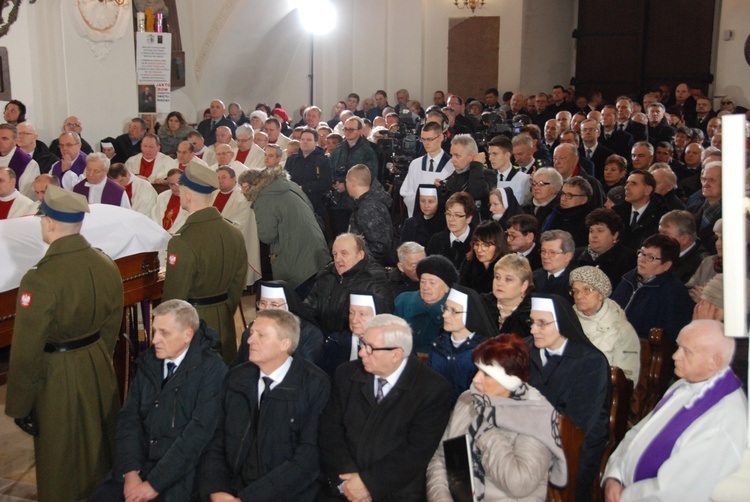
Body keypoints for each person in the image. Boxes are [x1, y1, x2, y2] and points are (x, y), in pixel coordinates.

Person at [5, 185, 123, 501]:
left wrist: (19, 404)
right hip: (97, 363)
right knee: (98, 448)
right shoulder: (105, 263)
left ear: (51, 222)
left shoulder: (39, 278)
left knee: (60, 460)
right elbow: (112, 323)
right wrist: (100, 355)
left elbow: (27, 349)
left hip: (58, 375)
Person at [90, 300, 227, 501]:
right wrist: (130, 473)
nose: (155, 340)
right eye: (154, 331)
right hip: (140, 466)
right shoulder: (149, 362)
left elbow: (197, 436)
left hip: (183, 474)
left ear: (187, 335)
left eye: (164, 333)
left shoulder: (213, 370)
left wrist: (154, 483)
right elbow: (129, 419)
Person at [602, 320, 747, 501]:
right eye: (678, 347)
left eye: (686, 351)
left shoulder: (723, 418)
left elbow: (681, 488)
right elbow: (639, 434)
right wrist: (615, 476)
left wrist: (625, 496)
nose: (675, 356)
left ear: (714, 361)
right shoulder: (683, 386)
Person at [318, 314, 453, 501]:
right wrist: (348, 480)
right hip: (343, 484)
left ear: (396, 354)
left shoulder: (432, 389)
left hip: (395, 491)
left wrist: (369, 484)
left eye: (370, 348)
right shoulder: (346, 374)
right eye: (362, 344)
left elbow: (416, 451)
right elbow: (330, 430)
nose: (361, 353)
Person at [200, 309, 331, 501]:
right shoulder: (236, 378)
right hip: (231, 491)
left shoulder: (315, 384)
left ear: (284, 344)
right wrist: (217, 490)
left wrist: (248, 498)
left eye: (261, 335)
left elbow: (308, 458)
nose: (250, 341)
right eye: (252, 333)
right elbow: (216, 440)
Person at [426, 335, 567, 501]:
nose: (475, 379)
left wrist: (485, 431)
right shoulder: (468, 400)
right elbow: (440, 461)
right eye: (477, 370)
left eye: (486, 374)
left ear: (509, 381)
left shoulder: (534, 416)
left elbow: (520, 484)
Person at [162, 161, 248, 364]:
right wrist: (224, 310)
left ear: (188, 195)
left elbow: (175, 297)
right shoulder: (234, 233)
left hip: (193, 324)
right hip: (224, 318)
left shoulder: (182, 240)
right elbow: (238, 282)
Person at [527, 293, 610, 501]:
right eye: (532, 322)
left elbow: (577, 423)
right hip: (527, 441)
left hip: (574, 448)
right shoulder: (523, 349)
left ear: (562, 324)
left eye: (542, 324)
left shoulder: (591, 362)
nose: (533, 330)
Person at [240, 166, 329, 295]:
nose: (242, 192)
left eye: (244, 187)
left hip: (296, 258)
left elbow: (267, 236)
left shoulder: (263, 199)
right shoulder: (289, 185)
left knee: (299, 303)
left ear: (254, 184)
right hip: (316, 249)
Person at [304, 233, 391, 335]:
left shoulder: (374, 280)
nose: (337, 259)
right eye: (335, 254)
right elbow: (308, 310)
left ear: (360, 255)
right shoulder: (326, 276)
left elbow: (381, 321)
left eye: (344, 253)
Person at [611, 233, 694, 340]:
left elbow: (672, 335)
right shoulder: (628, 279)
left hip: (641, 348)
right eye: (641, 253)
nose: (642, 259)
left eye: (650, 257)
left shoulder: (674, 292)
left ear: (666, 265)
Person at [569, 266, 640, 385]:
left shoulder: (622, 330)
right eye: (575, 291)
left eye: (587, 290)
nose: (579, 296)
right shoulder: (567, 320)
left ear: (601, 294)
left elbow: (626, 380)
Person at [428, 284, 496, 402]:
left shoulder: (485, 351)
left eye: (454, 311)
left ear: (470, 315)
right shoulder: (437, 345)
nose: (445, 315)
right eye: (446, 308)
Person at [235, 281, 324, 365]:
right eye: (263, 303)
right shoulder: (250, 333)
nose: (267, 309)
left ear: (287, 307)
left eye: (274, 305)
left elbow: (306, 373)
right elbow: (237, 368)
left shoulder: (310, 334)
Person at [316, 291, 389, 379]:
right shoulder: (335, 342)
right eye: (351, 313)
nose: (354, 320)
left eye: (362, 314)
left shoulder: (390, 347)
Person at [394, 254, 458, 354]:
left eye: (432, 283)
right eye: (423, 282)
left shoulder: (456, 309)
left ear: (447, 287)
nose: (426, 287)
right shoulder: (403, 301)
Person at [400, 121, 455, 218]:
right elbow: (406, 192)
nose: (426, 143)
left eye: (430, 139)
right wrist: (422, 205)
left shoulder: (452, 165)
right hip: (419, 218)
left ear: (441, 138)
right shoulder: (415, 164)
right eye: (423, 139)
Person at [572, 207, 636, 289]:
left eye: (600, 230)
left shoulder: (628, 258)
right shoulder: (577, 254)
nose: (594, 236)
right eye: (591, 231)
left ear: (615, 235)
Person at [346, 163, 395, 265]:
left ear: (352, 182)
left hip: (371, 270)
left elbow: (380, 247)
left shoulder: (369, 208)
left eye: (346, 182)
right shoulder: (364, 204)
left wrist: (355, 254)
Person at [284, 127, 332, 230]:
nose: (305, 142)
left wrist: (304, 188)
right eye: (302, 139)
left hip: (315, 204)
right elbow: (285, 178)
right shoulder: (292, 159)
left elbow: (326, 183)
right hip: (294, 202)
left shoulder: (323, 160)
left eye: (309, 140)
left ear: (316, 142)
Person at [459, 220, 511, 294]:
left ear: (498, 245)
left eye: (485, 245)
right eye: (476, 244)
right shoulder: (468, 263)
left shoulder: (509, 267)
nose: (479, 250)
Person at [427, 191, 475, 270]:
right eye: (448, 214)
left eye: (457, 215)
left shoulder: (477, 242)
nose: (451, 219)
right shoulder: (436, 240)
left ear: (469, 218)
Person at [533, 229, 576, 300]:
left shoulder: (575, 281)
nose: (545, 256)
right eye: (543, 251)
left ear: (567, 256)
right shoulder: (534, 277)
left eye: (552, 252)